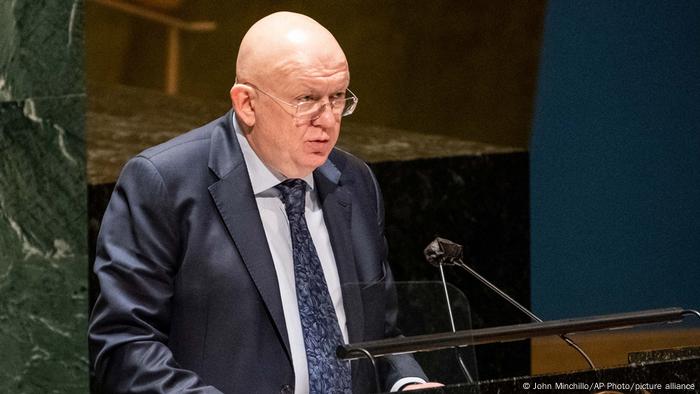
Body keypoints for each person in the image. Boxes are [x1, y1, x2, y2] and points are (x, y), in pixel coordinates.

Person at [89, 11, 443, 393]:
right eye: (306, 99)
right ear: (247, 104)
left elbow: (380, 331)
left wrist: (406, 382)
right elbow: (125, 346)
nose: (327, 119)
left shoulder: (354, 182)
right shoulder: (164, 183)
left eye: (338, 97)